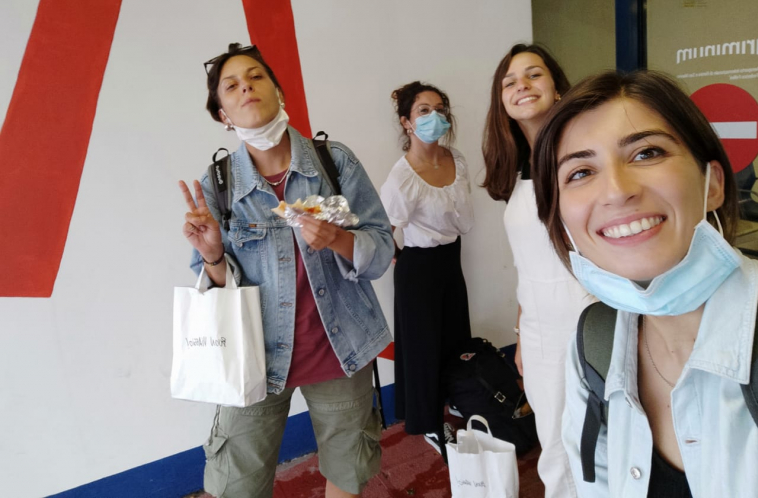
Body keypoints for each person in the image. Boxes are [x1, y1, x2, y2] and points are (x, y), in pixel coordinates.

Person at [533, 70, 758, 497]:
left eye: (646, 153)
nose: (616, 191)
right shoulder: (593, 347)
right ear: (562, 221)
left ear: (713, 184)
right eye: (580, 172)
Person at [178, 43, 394, 498]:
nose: (246, 88)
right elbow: (212, 284)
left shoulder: (334, 161)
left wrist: (337, 238)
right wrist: (213, 255)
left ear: (278, 91)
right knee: (235, 485)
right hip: (253, 357)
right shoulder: (218, 184)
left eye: (256, 77)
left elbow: (381, 249)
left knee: (347, 473)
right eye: (231, 86)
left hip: (341, 348)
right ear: (222, 114)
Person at [481, 43, 591, 497]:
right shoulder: (518, 170)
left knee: (598, 444)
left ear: (558, 88)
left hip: (590, 320)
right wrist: (523, 333)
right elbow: (528, 264)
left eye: (534, 74)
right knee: (555, 446)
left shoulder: (583, 159)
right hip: (541, 330)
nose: (521, 86)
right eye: (509, 82)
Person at [380, 81, 474, 451]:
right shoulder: (402, 177)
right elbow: (383, 231)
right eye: (423, 110)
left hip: (451, 260)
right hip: (418, 268)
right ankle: (430, 424)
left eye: (439, 109)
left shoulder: (457, 159)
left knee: (455, 339)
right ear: (407, 122)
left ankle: (459, 400)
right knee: (423, 350)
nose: (434, 116)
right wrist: (397, 256)